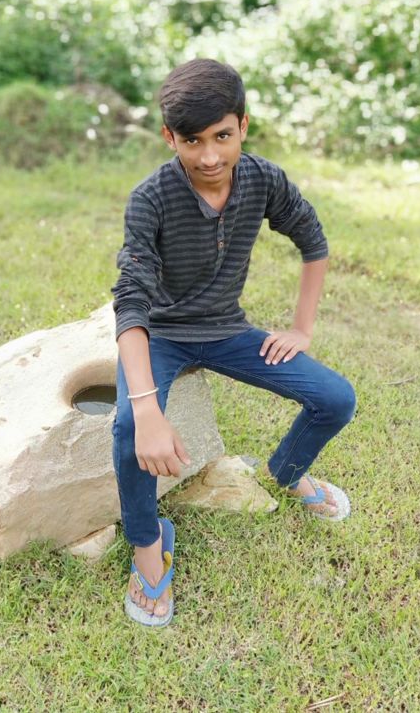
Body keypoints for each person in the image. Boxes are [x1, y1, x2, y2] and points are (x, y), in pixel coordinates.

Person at [110, 58, 356, 627]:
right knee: (127, 429)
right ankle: (148, 548)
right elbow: (130, 302)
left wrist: (301, 329)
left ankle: (285, 473)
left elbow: (313, 240)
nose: (209, 156)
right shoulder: (150, 198)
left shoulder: (263, 179)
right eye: (192, 141)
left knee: (336, 398)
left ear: (243, 124)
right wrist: (146, 410)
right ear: (169, 137)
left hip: (227, 329)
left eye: (222, 136)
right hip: (161, 335)